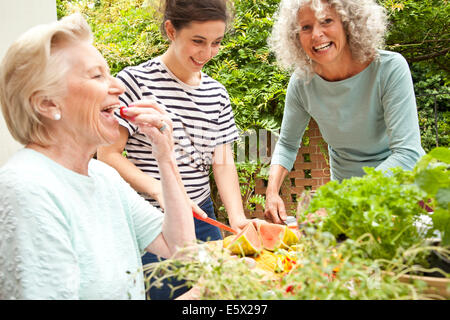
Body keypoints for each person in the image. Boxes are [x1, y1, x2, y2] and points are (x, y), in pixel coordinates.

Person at [0, 13, 196, 300]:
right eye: (97, 76)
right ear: (46, 103)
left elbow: (180, 249)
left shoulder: (103, 176)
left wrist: (165, 158)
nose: (119, 87)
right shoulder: (26, 189)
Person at [97, 0, 252, 297]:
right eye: (197, 41)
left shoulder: (217, 93)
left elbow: (222, 162)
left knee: (215, 297)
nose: (207, 53)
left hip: (203, 218)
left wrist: (236, 217)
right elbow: (108, 155)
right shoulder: (135, 81)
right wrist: (160, 191)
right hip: (152, 220)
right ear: (171, 30)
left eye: (216, 43)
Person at [264, 0, 425, 224]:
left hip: (399, 194)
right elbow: (288, 144)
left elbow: (407, 154)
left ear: (349, 24)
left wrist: (345, 200)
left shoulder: (389, 68)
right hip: (345, 200)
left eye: (327, 21)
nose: (316, 34)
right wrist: (271, 193)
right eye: (306, 27)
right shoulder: (302, 82)